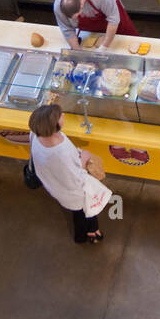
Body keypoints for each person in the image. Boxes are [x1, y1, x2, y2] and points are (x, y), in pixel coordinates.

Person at [29, 103, 103, 245]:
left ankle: (88, 232)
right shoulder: (60, 152)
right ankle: (88, 234)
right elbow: (75, 180)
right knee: (86, 210)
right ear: (53, 125)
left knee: (82, 211)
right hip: (72, 192)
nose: (63, 115)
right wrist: (84, 158)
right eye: (59, 116)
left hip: (53, 184)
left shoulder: (36, 133)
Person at [53, 0, 138, 50]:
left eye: (78, 16)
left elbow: (113, 20)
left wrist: (104, 47)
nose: (76, 20)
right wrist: (78, 52)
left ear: (82, 3)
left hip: (113, 16)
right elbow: (67, 30)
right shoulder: (58, 7)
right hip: (93, 25)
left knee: (130, 42)